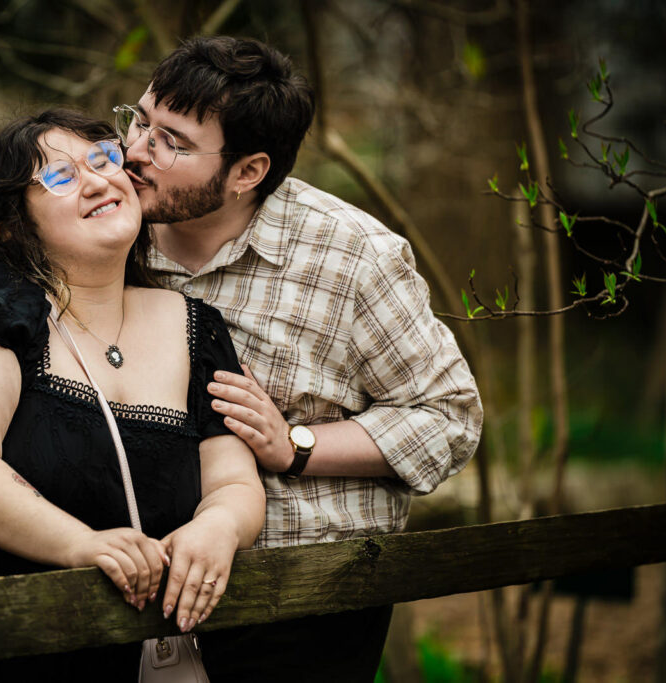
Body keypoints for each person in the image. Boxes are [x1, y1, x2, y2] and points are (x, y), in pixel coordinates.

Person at [113, 36, 483, 681]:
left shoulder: (351, 257)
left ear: (248, 172)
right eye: (139, 120)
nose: (136, 151)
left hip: (300, 598)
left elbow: (449, 416)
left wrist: (295, 445)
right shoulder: (103, 228)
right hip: (124, 589)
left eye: (172, 141)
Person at [0, 109, 265, 682]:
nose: (99, 179)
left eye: (104, 159)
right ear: (9, 225)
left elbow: (232, 480)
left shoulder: (197, 327)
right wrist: (83, 545)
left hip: (127, 653)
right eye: (59, 176)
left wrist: (218, 527)